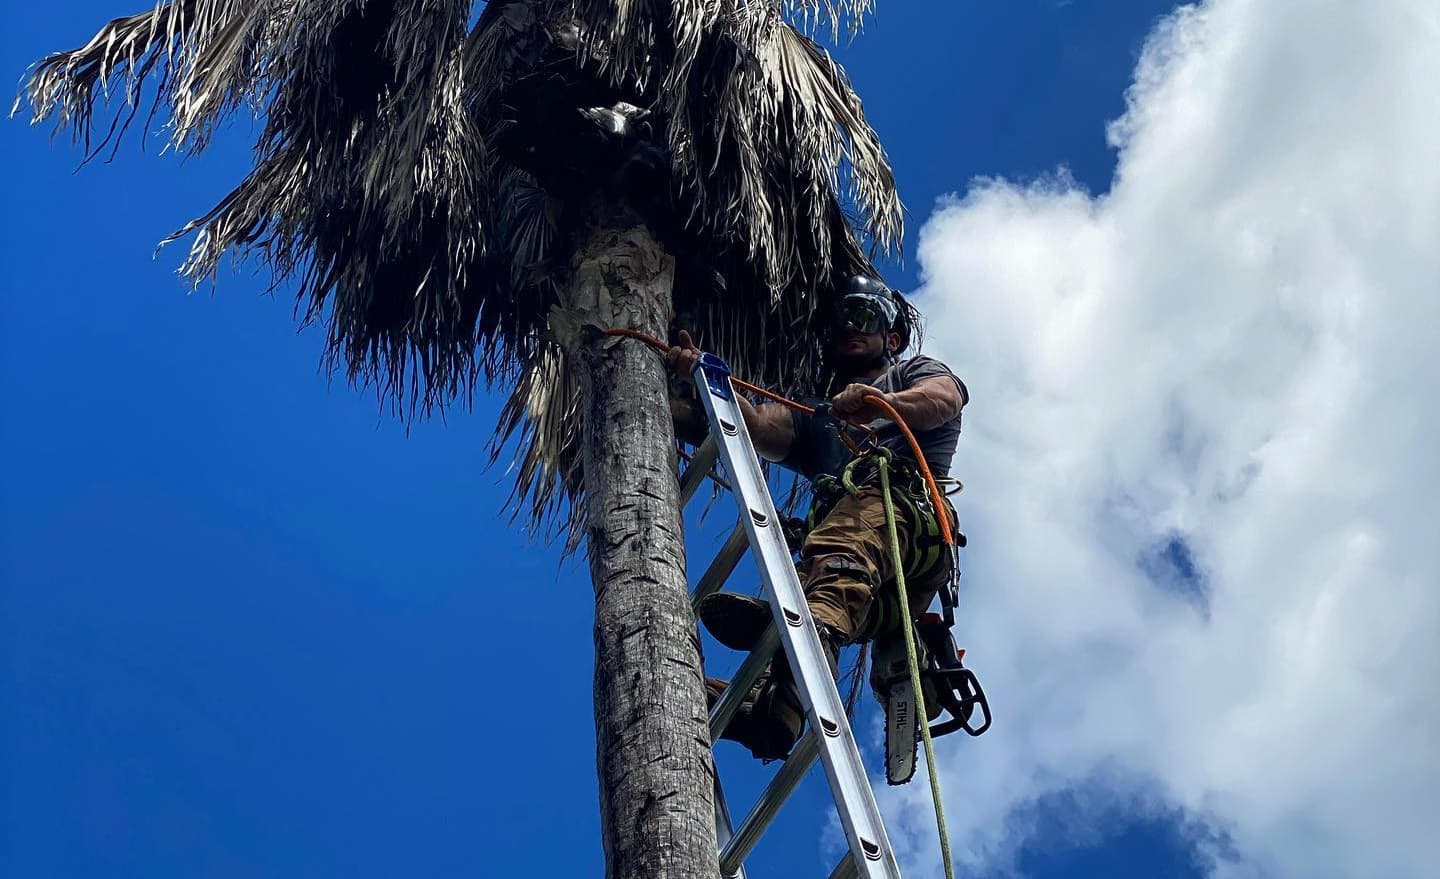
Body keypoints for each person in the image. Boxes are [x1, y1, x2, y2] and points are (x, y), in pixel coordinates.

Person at [666, 275, 969, 760]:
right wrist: (700, 380)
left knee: (844, 542)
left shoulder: (913, 373)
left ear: (890, 339)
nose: (851, 326)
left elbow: (944, 399)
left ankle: (808, 635)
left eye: (866, 317)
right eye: (843, 317)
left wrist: (880, 405)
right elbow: (759, 424)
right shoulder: (816, 415)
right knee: (823, 578)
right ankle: (772, 714)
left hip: (907, 529)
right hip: (872, 590)